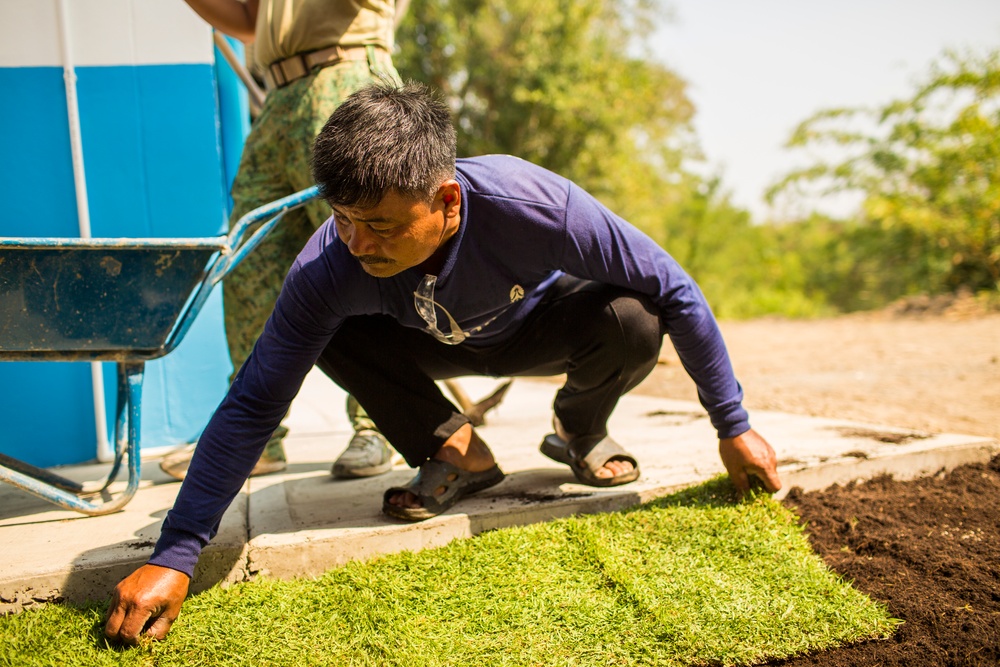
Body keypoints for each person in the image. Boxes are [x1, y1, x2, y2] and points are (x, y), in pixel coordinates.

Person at [104, 82, 782, 644]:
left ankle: (578, 426)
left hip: (532, 329)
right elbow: (256, 400)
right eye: (343, 217)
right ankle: (454, 448)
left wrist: (732, 422)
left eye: (381, 225)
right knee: (324, 329)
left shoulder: (533, 204)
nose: (358, 243)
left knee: (636, 317)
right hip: (422, 343)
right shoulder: (331, 263)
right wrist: (177, 550)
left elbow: (675, 286)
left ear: (447, 201)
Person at [161, 0, 404, 481]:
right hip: (278, 98)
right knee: (251, 261)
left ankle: (383, 421)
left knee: (373, 257)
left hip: (347, 73)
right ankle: (253, 438)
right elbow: (251, 22)